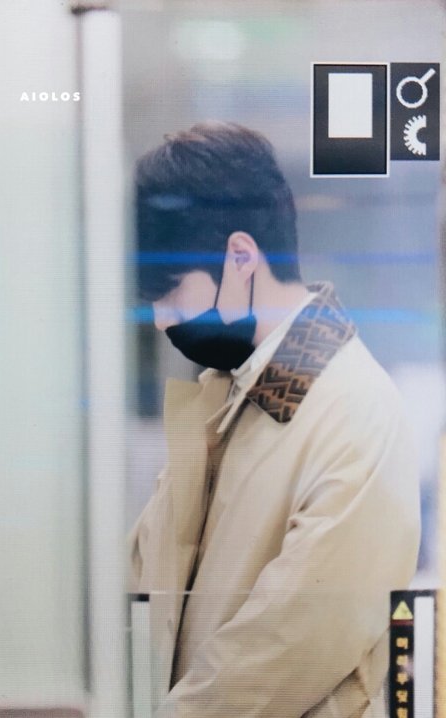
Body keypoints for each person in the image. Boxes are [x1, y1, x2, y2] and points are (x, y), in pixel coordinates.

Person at [126, 120, 421, 718]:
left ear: (241, 257)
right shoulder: (231, 394)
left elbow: (283, 646)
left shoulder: (353, 410)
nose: (161, 319)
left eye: (171, 290)